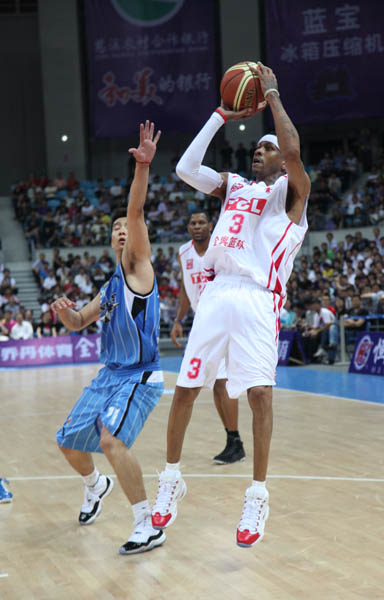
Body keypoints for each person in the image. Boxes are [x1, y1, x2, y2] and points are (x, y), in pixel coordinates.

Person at [151, 62, 310, 548]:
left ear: (281, 159)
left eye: (267, 148)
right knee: (186, 389)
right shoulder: (236, 186)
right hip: (217, 293)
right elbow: (183, 169)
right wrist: (221, 112)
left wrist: (274, 96)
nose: (259, 152)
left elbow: (293, 148)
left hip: (260, 298)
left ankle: (257, 494)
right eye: (257, 147)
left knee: (260, 396)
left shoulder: (293, 193)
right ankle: (171, 478)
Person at [53, 121, 166, 555]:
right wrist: (66, 314)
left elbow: (136, 212)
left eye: (127, 227)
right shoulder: (111, 287)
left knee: (110, 439)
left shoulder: (139, 269)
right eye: (115, 227)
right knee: (67, 440)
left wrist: (142, 169)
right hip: (108, 375)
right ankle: (94, 485)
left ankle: (147, 523)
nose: (122, 229)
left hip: (140, 376)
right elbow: (80, 322)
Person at [171, 211, 245, 464]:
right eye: (193, 223)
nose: (197, 226)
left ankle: (235, 441)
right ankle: (233, 441)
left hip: (223, 319)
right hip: (201, 322)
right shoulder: (183, 252)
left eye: (202, 222)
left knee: (222, 382)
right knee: (215, 383)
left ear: (211, 226)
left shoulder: (222, 247)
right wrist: (179, 320)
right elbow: (184, 288)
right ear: (188, 228)